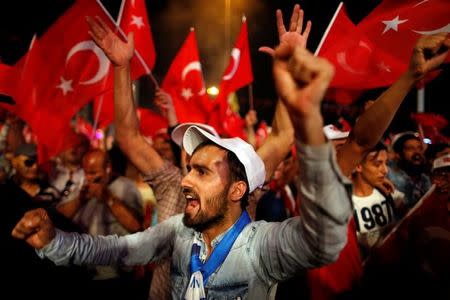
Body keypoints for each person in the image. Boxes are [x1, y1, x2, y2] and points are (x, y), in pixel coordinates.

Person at [11, 13, 353, 300]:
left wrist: (302, 104)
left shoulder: (263, 246)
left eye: (201, 172)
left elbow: (323, 240)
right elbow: (110, 249)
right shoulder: (176, 232)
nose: (185, 179)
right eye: (190, 169)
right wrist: (54, 242)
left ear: (238, 190)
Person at [388, 131, 431, 207]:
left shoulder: (425, 179)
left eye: (419, 148)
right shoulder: (390, 177)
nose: (417, 152)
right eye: (410, 148)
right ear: (398, 154)